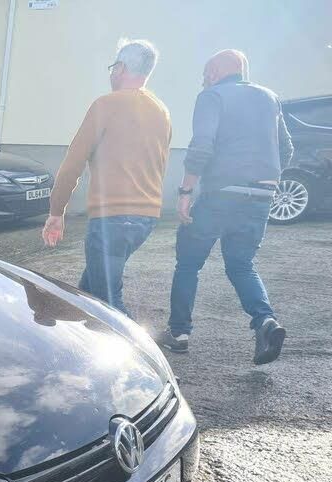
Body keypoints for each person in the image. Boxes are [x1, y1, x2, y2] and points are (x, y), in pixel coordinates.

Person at [157, 49, 291, 365]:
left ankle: (179, 333)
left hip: (221, 194)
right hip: (261, 196)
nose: (203, 80)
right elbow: (286, 148)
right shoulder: (270, 97)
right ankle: (265, 322)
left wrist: (185, 191)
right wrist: (265, 180)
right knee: (241, 264)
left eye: (205, 74)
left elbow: (202, 146)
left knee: (188, 263)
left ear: (215, 72)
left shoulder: (212, 96)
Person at [43, 39, 171, 317]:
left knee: (108, 306)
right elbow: (160, 163)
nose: (111, 73)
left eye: (113, 67)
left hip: (112, 219)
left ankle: (140, 345)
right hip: (146, 218)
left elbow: (73, 163)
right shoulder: (161, 111)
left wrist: (56, 211)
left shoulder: (106, 104)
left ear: (121, 68)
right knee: (87, 295)